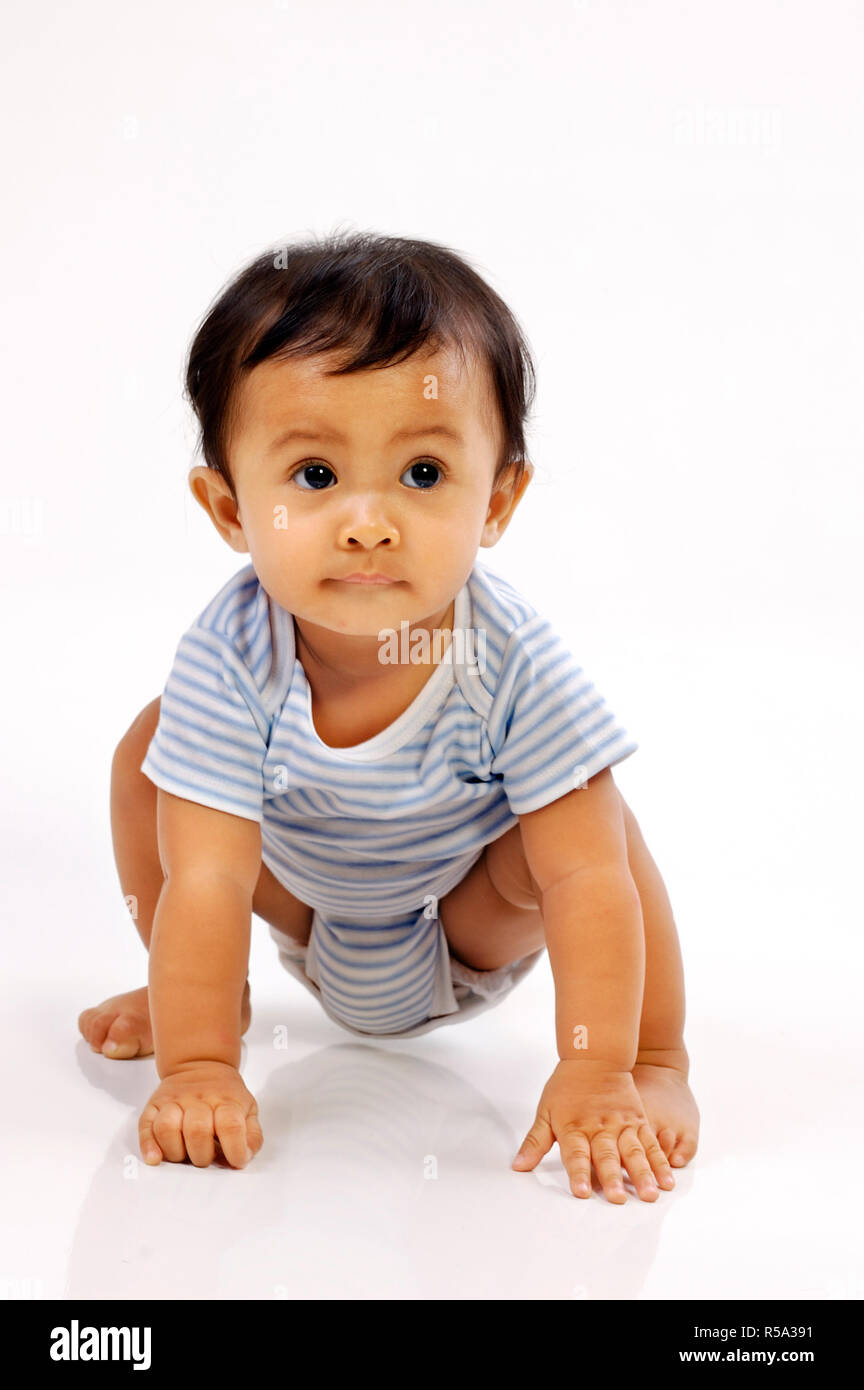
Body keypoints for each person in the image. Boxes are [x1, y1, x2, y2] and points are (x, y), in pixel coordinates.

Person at [79, 230, 699, 1202]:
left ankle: (654, 1056)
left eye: (422, 475)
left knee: (596, 823)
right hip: (308, 909)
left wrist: (595, 1067)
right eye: (315, 477)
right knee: (149, 753)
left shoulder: (508, 658)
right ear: (230, 510)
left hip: (470, 924)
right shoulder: (228, 656)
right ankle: (194, 1000)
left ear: (497, 500)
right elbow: (208, 874)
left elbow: (586, 881)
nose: (368, 525)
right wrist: (198, 1071)